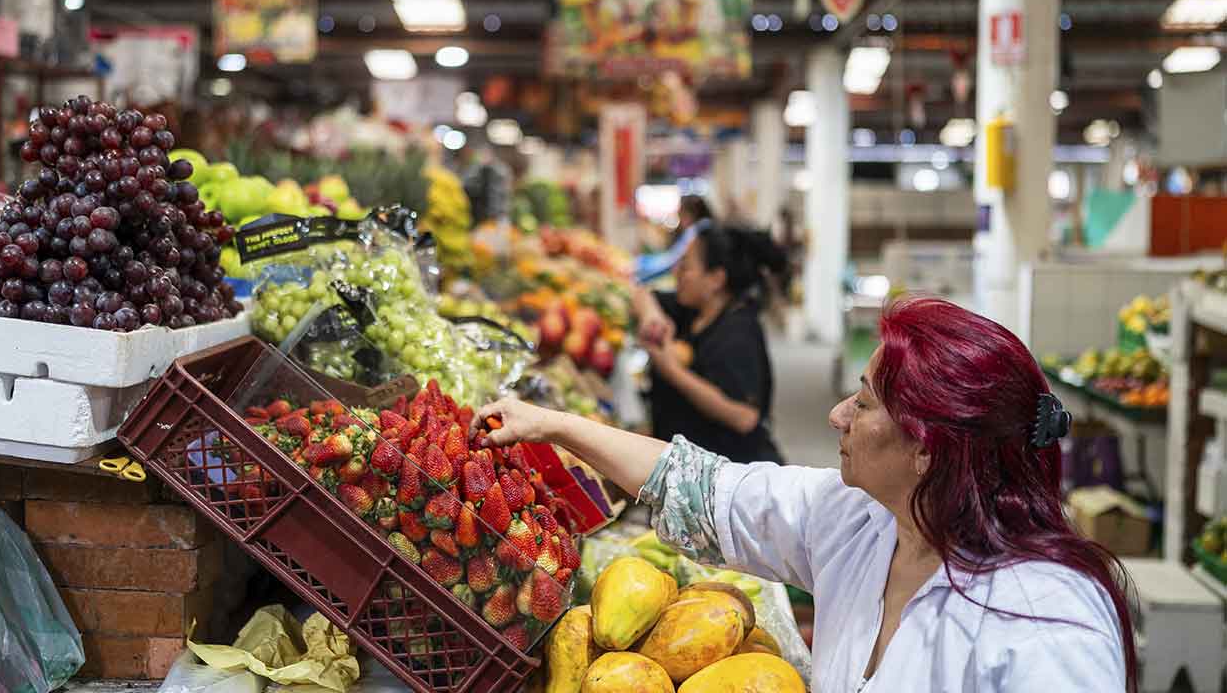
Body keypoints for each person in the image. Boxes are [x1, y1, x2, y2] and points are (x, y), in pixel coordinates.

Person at [475, 296, 1137, 693]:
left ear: (927, 446)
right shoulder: (864, 521)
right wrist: (557, 426)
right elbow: (703, 489)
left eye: (865, 402)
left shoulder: (1047, 620)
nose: (838, 416)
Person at [632, 224, 786, 463]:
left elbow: (744, 416)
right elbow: (642, 294)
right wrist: (653, 317)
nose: (677, 272)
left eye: (686, 267)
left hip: (731, 479)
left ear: (716, 279)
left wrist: (672, 371)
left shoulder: (738, 333)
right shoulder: (693, 310)